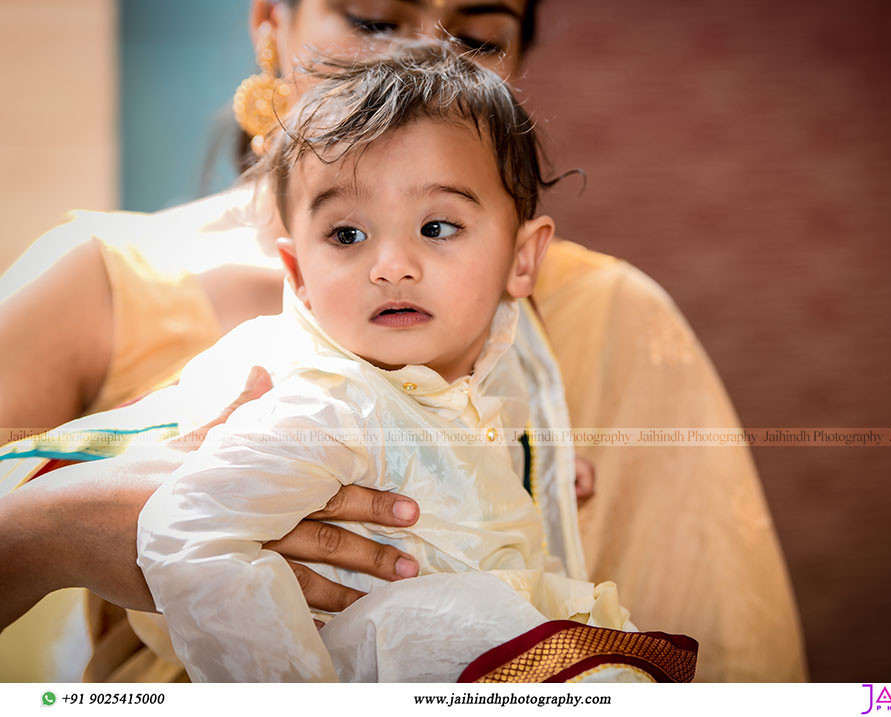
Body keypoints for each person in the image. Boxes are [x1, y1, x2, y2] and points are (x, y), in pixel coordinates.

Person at [0, 0, 805, 682]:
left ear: (524, 256)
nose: (426, 52)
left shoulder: (609, 318)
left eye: (480, 31)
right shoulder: (92, 284)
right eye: (376, 16)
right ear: (270, 22)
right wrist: (49, 528)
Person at [119, 44, 697, 682]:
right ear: (297, 274)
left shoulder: (470, 384)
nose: (390, 264)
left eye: (437, 227)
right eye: (347, 235)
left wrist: (536, 468)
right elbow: (185, 531)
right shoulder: (328, 402)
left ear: (523, 258)